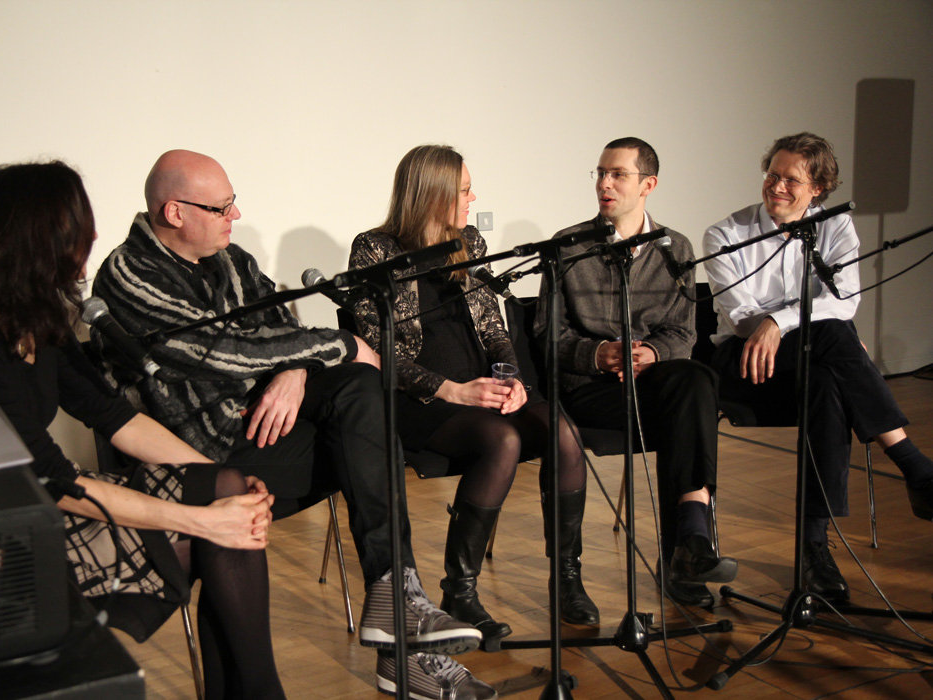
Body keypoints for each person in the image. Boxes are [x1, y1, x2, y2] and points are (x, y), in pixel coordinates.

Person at [91, 150, 489, 699]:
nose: (236, 214)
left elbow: (282, 321)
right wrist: (337, 344)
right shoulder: (128, 274)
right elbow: (214, 351)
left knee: (362, 395)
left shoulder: (233, 260)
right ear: (174, 212)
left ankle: (396, 594)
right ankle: (402, 642)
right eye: (222, 206)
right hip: (200, 458)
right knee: (371, 446)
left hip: (262, 431)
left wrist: (296, 371)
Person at [0, 161, 287, 699]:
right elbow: (49, 480)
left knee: (228, 491)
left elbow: (113, 416)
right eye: (79, 228)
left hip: (34, 502)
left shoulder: (35, 316)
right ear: (34, 241)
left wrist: (219, 481)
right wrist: (202, 520)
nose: (93, 238)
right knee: (213, 524)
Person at [348, 144, 595, 645]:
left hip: (482, 390)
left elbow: (492, 324)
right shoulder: (374, 250)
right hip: (421, 400)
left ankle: (567, 577)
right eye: (463, 191)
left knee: (563, 430)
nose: (472, 198)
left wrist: (512, 380)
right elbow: (379, 354)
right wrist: (455, 391)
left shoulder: (470, 242)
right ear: (433, 193)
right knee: (502, 440)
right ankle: (460, 589)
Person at [703, 132, 933, 602]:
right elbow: (745, 321)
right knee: (833, 338)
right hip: (742, 363)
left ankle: (814, 553)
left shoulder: (835, 227)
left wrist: (781, 319)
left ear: (817, 189)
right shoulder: (725, 234)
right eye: (772, 175)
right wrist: (785, 323)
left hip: (807, 363)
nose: (777, 187)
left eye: (791, 179)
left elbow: (844, 300)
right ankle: (913, 467)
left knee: (827, 379)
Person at [536, 137, 738, 608]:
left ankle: (688, 546)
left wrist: (652, 353)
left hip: (652, 385)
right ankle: (687, 545)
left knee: (695, 381)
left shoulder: (675, 249)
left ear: (648, 185)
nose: (605, 184)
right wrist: (597, 353)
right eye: (600, 173)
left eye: (618, 175)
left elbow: (682, 334)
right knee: (692, 401)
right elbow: (549, 337)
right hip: (589, 391)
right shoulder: (567, 248)